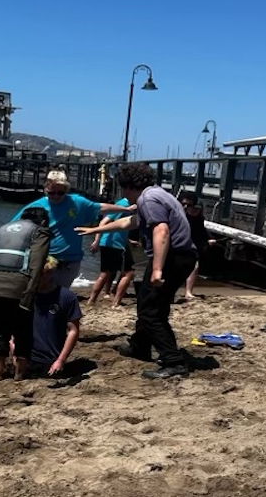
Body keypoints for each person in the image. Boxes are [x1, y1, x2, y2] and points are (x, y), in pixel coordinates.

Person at [75, 162, 198, 379]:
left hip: (173, 257)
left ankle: (173, 361)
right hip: (181, 256)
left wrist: (157, 269)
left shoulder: (147, 199)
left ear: (129, 186)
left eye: (123, 189)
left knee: (150, 311)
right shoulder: (158, 194)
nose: (123, 194)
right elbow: (130, 222)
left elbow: (162, 231)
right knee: (148, 302)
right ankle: (140, 345)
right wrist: (96, 229)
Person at [0, 207, 51, 381]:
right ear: (43, 221)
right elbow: (36, 264)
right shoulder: (40, 231)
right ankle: (20, 374)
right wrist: (29, 294)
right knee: (23, 331)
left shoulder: (3, 230)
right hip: (19, 289)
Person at [12, 170, 131, 288]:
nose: (56, 196)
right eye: (51, 193)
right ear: (45, 189)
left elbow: (100, 207)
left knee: (59, 295)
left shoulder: (77, 202)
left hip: (70, 262)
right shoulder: (36, 206)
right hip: (44, 259)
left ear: (66, 190)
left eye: (60, 193)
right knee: (40, 294)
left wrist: (126, 210)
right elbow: (15, 227)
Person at [29, 256, 82, 377]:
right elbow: (13, 324)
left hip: (50, 360)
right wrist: (14, 350)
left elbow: (73, 330)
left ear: (50, 273)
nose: (37, 278)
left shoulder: (67, 297)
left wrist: (61, 360)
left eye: (41, 274)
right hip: (25, 358)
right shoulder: (26, 295)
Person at [87, 196, 136, 307]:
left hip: (111, 243)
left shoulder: (124, 204)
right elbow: (104, 221)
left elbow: (119, 228)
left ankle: (92, 300)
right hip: (115, 244)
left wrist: (128, 241)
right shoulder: (124, 205)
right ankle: (116, 303)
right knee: (129, 273)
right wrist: (96, 240)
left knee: (106, 273)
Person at [178, 192, 217, 300]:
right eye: (193, 208)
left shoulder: (199, 219)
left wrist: (210, 238)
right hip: (181, 245)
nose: (195, 211)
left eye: (197, 209)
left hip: (193, 246)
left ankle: (188, 292)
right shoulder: (182, 217)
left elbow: (202, 230)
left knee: (195, 267)